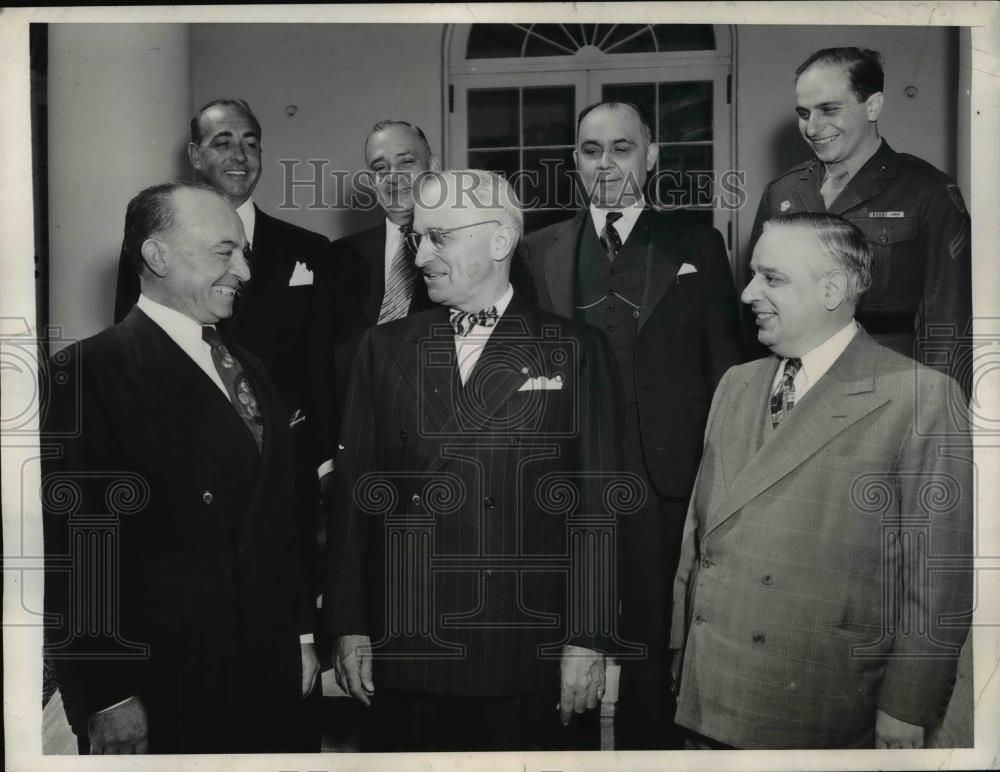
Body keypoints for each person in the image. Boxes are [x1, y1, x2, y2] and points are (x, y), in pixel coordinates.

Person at [323, 170, 622, 751]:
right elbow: (357, 495)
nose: (421, 254)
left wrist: (588, 639)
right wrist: (350, 623)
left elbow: (597, 510)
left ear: (501, 241)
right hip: (409, 644)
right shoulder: (383, 347)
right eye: (417, 237)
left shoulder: (575, 349)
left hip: (526, 650)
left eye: (440, 237)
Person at [671, 212, 972, 749]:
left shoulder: (918, 397)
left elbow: (936, 578)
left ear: (832, 288)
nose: (747, 294)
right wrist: (681, 651)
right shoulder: (736, 384)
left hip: (822, 700)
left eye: (772, 278)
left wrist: (906, 707)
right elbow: (697, 535)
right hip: (710, 689)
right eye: (752, 274)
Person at [43, 182, 319, 754]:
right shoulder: (86, 373)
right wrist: (107, 696)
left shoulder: (253, 369)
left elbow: (283, 522)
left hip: (272, 667)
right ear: (156, 256)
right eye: (225, 251)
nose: (244, 270)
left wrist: (300, 634)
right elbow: (77, 552)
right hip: (169, 684)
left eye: (244, 251)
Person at [518, 101, 744, 749]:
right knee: (569, 640)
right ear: (575, 162)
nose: (607, 163)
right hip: (567, 483)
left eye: (623, 147)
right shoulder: (538, 251)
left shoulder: (698, 243)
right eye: (592, 150)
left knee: (652, 641)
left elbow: (726, 370)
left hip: (664, 479)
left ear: (652, 156)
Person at [113, 98, 331, 594]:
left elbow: (320, 367)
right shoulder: (148, 247)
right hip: (184, 471)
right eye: (223, 142)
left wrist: (323, 464)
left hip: (280, 467)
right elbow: (133, 354)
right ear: (194, 154)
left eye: (251, 142)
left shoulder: (309, 250)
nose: (240, 154)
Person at [748, 47, 971, 388]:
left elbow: (948, 321)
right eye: (804, 113)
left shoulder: (927, 191)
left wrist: (933, 410)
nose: (812, 127)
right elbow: (757, 308)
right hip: (795, 382)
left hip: (886, 380)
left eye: (829, 110)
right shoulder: (782, 193)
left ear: (873, 105)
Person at [314, 120, 438, 490]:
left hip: (439, 459)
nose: (393, 178)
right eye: (380, 168)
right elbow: (318, 362)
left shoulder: (459, 252)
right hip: (355, 460)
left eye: (406, 163)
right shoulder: (337, 258)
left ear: (431, 166)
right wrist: (324, 462)